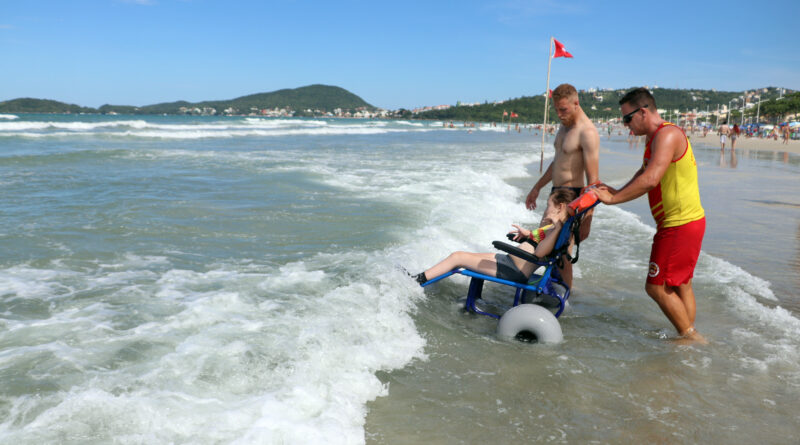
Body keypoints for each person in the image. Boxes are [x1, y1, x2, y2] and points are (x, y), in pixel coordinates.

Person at [592, 87, 707, 343]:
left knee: (655, 286)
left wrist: (613, 199)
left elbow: (651, 179)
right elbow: (644, 172)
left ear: (643, 111)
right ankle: (689, 338)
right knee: (681, 283)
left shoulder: (667, 135)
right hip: (686, 222)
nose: (625, 125)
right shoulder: (654, 137)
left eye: (627, 119)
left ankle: (691, 338)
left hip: (679, 224)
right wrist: (616, 190)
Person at [412, 189, 578, 285]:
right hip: (510, 261)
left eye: (548, 206)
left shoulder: (557, 229)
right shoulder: (556, 228)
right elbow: (539, 239)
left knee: (458, 257)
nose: (545, 210)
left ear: (560, 207)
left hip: (514, 270)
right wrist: (527, 234)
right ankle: (426, 277)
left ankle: (418, 281)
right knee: (462, 258)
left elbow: (540, 252)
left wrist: (555, 228)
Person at [524, 83, 600, 289]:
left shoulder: (587, 132)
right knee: (546, 246)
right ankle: (551, 288)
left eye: (563, 109)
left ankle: (566, 297)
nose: (559, 114)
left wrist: (588, 219)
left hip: (572, 198)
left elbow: (593, 182)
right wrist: (537, 187)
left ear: (576, 103)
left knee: (562, 253)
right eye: (556, 109)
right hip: (555, 195)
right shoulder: (564, 126)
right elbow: (558, 162)